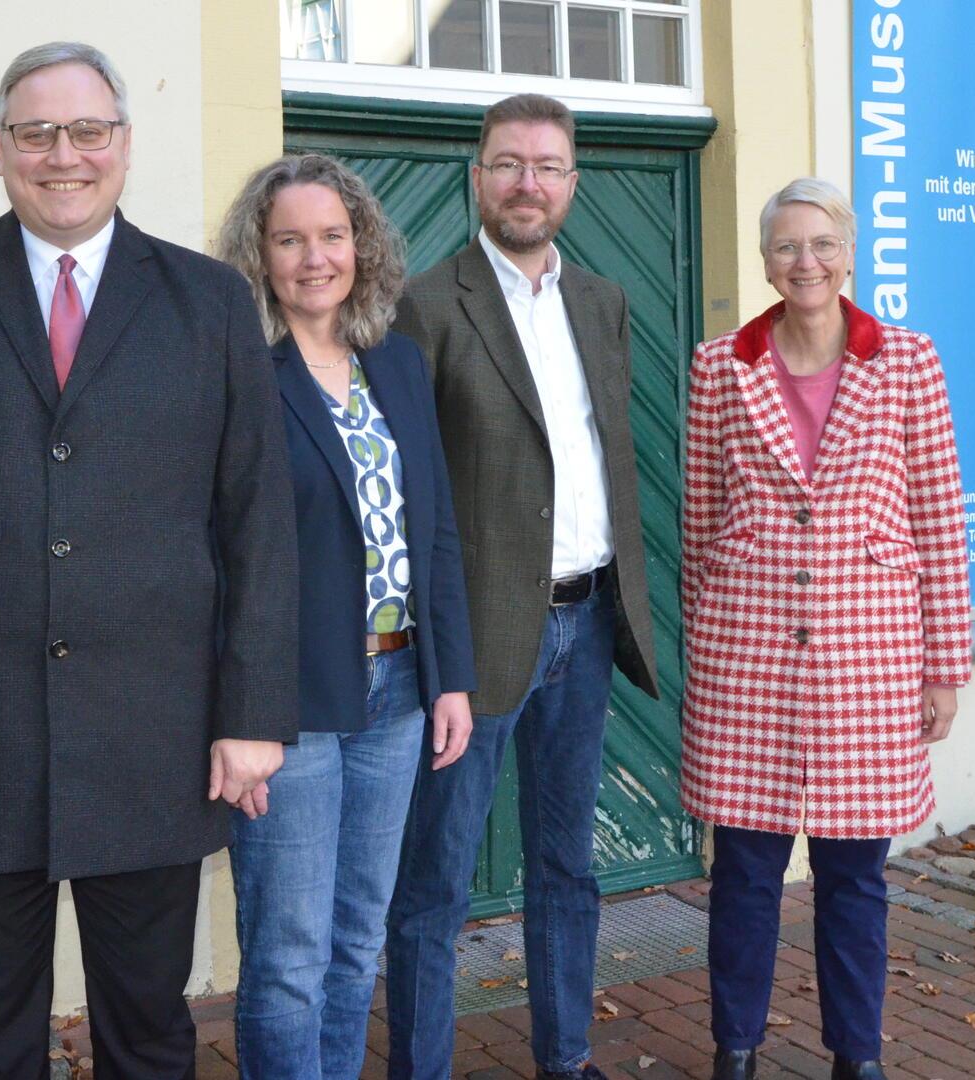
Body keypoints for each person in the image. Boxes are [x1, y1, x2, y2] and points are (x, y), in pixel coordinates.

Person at [0, 42, 299, 1079]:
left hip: (157, 735)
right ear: (1, 151)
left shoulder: (211, 304)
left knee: (149, 1034)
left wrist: (253, 713)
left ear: (125, 147)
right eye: (36, 133)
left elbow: (258, 520)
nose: (64, 155)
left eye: (88, 131)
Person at [385, 93, 660, 1080]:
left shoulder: (603, 301)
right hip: (476, 639)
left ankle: (567, 1058)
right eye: (507, 163)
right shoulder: (426, 304)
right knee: (436, 882)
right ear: (478, 177)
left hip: (586, 626)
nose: (527, 183)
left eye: (546, 166)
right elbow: (410, 486)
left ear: (573, 183)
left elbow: (604, 455)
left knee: (566, 866)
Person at [681, 177, 971, 1080]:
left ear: (849, 253)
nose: (802, 262)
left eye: (820, 244)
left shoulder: (909, 361)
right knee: (745, 876)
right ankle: (736, 1047)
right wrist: (706, 651)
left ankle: (857, 1054)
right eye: (784, 246)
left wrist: (944, 666)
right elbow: (700, 518)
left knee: (855, 882)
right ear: (764, 258)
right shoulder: (718, 365)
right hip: (748, 656)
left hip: (870, 659)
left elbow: (938, 516)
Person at [213, 154, 476, 1079]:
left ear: (361, 246)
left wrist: (451, 678)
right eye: (290, 239)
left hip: (400, 688)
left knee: (358, 941)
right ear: (260, 253)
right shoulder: (237, 369)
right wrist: (234, 716)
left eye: (332, 236)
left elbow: (433, 526)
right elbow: (211, 554)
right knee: (288, 960)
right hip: (288, 700)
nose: (314, 257)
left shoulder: (395, 362)